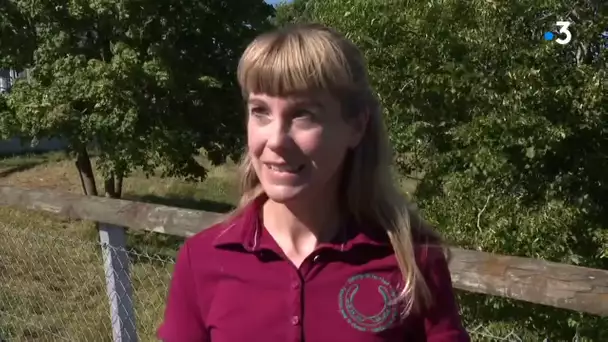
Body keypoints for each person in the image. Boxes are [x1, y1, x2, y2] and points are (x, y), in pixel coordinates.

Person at [158, 23, 470, 342]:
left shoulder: (412, 260)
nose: (276, 140)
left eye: (303, 114)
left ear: (356, 127)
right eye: (260, 111)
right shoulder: (203, 257)